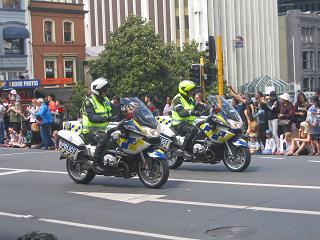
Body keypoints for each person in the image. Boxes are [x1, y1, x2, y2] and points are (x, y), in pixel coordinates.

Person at [82, 78, 118, 173]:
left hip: (102, 130)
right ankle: (96, 163)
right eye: (103, 90)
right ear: (97, 91)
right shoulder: (89, 102)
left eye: (106, 90)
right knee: (103, 139)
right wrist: (107, 118)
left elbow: (115, 110)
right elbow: (92, 117)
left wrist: (126, 110)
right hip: (90, 131)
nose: (105, 92)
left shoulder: (105, 100)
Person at [171, 80, 200, 158]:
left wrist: (211, 110)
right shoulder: (177, 99)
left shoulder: (190, 99)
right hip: (179, 124)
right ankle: (184, 150)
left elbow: (200, 107)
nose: (193, 92)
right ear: (185, 91)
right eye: (191, 90)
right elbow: (181, 112)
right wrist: (191, 112)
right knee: (192, 130)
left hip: (189, 122)